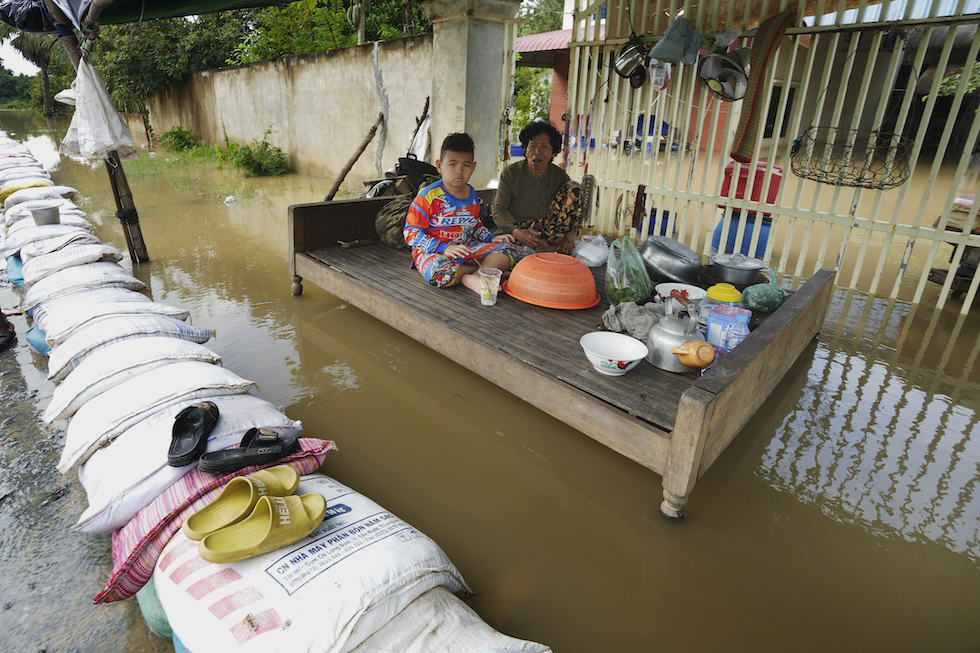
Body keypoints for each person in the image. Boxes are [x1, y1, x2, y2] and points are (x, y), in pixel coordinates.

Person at [404, 132, 517, 294]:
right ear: (439, 165)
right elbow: (411, 233)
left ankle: (476, 276)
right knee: (439, 273)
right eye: (452, 164)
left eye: (465, 165)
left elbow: (475, 225)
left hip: (465, 249)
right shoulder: (427, 196)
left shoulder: (471, 194)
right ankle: (476, 274)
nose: (459, 171)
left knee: (508, 249)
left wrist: (491, 238)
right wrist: (444, 248)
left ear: (473, 166)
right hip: (435, 254)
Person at [492, 121, 584, 255]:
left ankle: (548, 247)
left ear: (553, 152)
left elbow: (574, 207)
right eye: (532, 146)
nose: (537, 151)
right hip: (518, 230)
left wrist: (571, 235)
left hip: (548, 231)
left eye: (545, 147)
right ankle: (544, 249)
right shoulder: (511, 173)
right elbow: (498, 210)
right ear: (526, 150)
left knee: (574, 188)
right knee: (505, 244)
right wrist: (517, 232)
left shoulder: (559, 176)